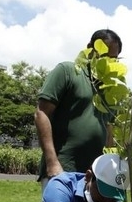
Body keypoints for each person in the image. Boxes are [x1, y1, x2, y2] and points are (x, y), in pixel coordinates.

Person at [35, 29, 122, 189]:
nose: (108, 63)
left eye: (113, 59)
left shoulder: (111, 90)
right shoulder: (67, 71)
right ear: (90, 48)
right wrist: (52, 162)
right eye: (103, 57)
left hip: (94, 176)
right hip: (62, 170)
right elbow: (41, 114)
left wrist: (107, 171)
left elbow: (109, 130)